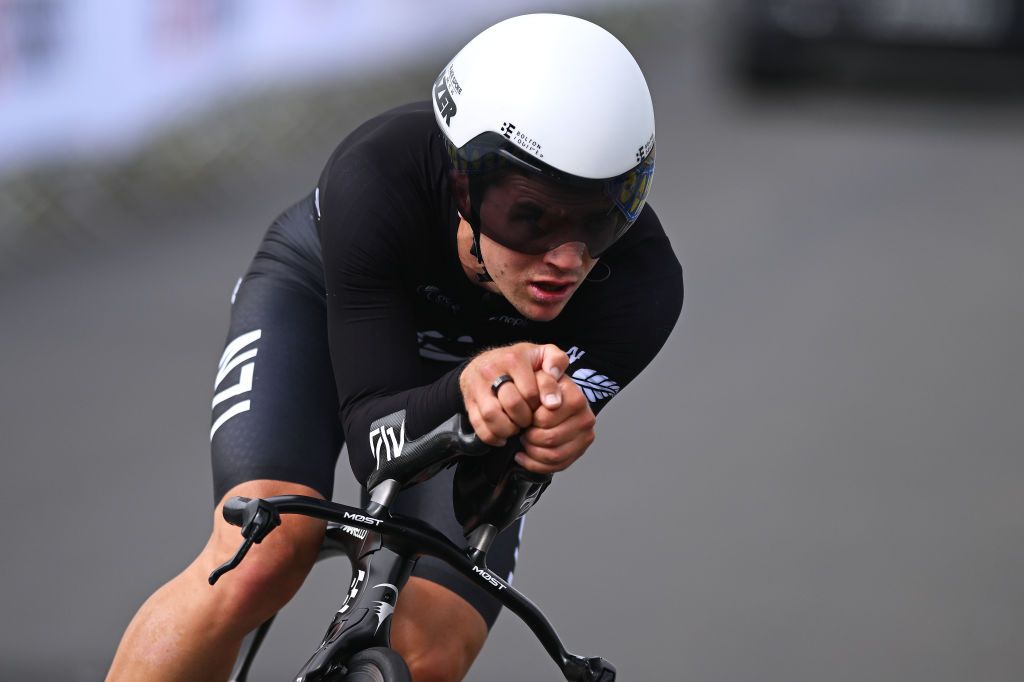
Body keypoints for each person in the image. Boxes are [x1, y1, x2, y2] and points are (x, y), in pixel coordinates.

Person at [107, 13, 682, 682]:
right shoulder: (380, 171)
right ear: (464, 182)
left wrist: (551, 432)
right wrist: (468, 385)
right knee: (258, 555)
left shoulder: (642, 286)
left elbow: (492, 479)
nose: (566, 258)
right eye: (530, 215)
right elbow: (373, 444)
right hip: (323, 311)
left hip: (466, 387)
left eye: (602, 217)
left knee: (432, 653)